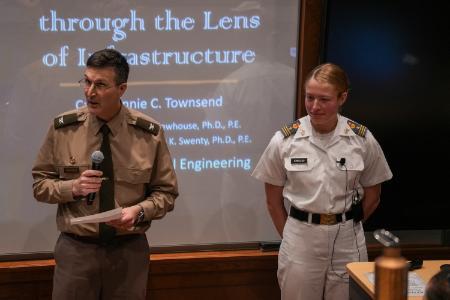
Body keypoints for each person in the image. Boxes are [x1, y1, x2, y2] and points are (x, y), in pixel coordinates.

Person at [32, 48, 178, 300]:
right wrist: (73, 188)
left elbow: (166, 193)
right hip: (76, 252)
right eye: (86, 81)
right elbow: (40, 185)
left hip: (128, 252)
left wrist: (138, 211)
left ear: (121, 89)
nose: (90, 92)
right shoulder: (63, 129)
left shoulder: (149, 134)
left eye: (100, 84)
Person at [251, 62, 393, 300]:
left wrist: (347, 222)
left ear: (342, 98)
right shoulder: (285, 140)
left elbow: (373, 195)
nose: (314, 107)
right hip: (301, 237)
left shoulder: (361, 138)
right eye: (309, 98)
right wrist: (291, 237)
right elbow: (273, 202)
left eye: (324, 99)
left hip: (348, 239)